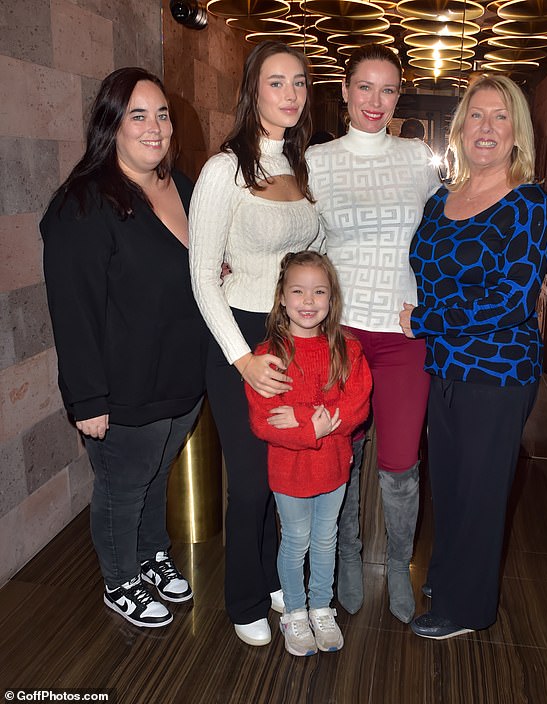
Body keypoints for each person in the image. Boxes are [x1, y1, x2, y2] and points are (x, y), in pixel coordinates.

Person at [40, 67, 208, 628]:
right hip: (123, 384)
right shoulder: (84, 204)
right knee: (122, 486)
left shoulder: (183, 186)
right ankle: (120, 579)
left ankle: (150, 555)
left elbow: (196, 267)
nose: (154, 127)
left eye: (162, 114)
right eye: (138, 115)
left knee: (156, 477)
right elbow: (73, 310)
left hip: (182, 376)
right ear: (111, 124)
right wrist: (87, 398)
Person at [400, 74, 547, 639]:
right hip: (443, 366)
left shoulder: (529, 202)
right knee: (450, 484)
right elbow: (418, 262)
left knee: (482, 490)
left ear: (517, 133)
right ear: (460, 127)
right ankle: (448, 579)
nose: (486, 128)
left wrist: (425, 320)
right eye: (477, 116)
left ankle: (468, 611)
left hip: (497, 370)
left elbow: (512, 301)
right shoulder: (442, 198)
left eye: (500, 117)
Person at [188, 41, 320, 646]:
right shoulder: (224, 169)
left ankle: (270, 573)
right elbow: (201, 275)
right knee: (250, 478)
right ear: (252, 90)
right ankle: (243, 594)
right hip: (239, 334)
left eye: (299, 82)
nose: (290, 94)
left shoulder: (299, 166)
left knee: (280, 465)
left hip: (291, 333)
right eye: (276, 83)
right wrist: (242, 359)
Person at [306, 44, 441, 623]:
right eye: (365, 87)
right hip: (343, 335)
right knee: (344, 453)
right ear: (343, 90)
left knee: (401, 464)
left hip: (404, 335)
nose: (375, 101)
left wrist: (438, 307)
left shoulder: (417, 159)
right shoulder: (315, 160)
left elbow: (440, 246)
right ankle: (348, 561)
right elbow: (301, 242)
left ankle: (402, 565)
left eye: (388, 90)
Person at [245, 251, 372, 656]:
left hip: (333, 466)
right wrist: (313, 426)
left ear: (332, 299)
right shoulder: (268, 355)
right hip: (289, 471)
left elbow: (357, 405)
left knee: (325, 540)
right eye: (297, 291)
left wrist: (303, 420)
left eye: (319, 292)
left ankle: (321, 607)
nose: (308, 300)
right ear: (282, 297)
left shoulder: (348, 350)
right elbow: (264, 421)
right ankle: (294, 613)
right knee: (295, 541)